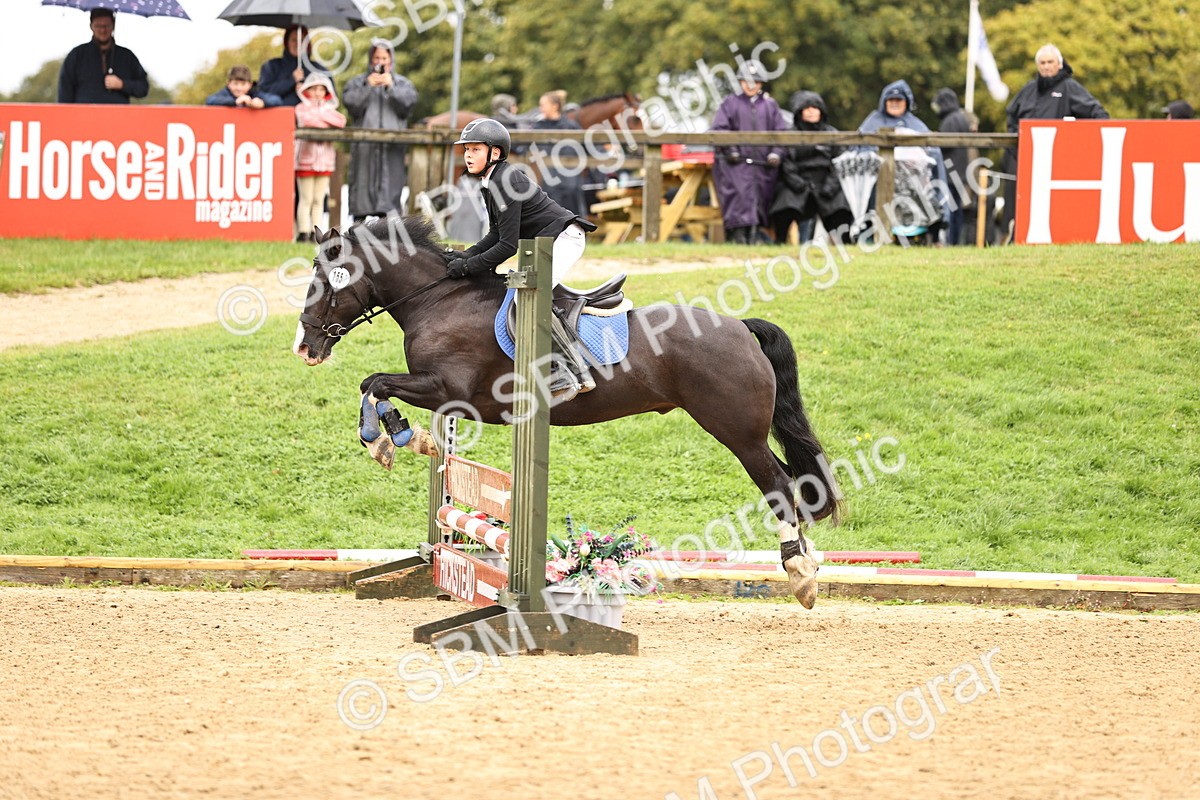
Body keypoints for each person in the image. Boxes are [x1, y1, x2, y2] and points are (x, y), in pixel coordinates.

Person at [444, 119, 599, 401]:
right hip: (546, 242)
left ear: (495, 152)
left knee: (529, 296)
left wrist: (467, 266)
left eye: (475, 149)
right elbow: (496, 234)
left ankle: (572, 370)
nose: (468, 155)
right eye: (466, 149)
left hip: (565, 239)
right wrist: (466, 254)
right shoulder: (491, 182)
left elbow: (507, 245)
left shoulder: (506, 180)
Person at [858, 80, 947, 243]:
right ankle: (871, 237)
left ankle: (921, 237)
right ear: (884, 102)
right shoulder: (872, 121)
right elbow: (859, 147)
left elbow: (933, 154)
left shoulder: (916, 125)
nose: (895, 103)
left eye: (899, 100)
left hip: (912, 186)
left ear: (906, 102)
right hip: (877, 183)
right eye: (891, 100)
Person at [710, 61, 788, 244]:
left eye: (755, 81)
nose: (750, 85)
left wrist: (776, 153)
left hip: (763, 164)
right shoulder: (730, 103)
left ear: (761, 84)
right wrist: (731, 149)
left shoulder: (770, 105)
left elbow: (781, 133)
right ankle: (736, 237)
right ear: (741, 82)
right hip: (735, 164)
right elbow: (720, 129)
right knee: (738, 198)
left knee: (760, 199)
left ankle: (754, 237)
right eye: (746, 81)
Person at [344, 39, 419, 220]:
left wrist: (391, 87)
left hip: (391, 151)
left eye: (384, 58)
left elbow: (409, 104)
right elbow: (350, 104)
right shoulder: (358, 83)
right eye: (377, 58)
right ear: (371, 59)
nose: (380, 62)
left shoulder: (402, 84)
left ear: (391, 60)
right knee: (361, 197)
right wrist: (368, 87)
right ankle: (358, 236)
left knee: (390, 204)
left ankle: (389, 236)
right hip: (364, 150)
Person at [769, 90, 853, 245]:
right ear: (799, 112)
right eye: (806, 108)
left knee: (841, 206)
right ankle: (779, 241)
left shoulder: (832, 133)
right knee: (784, 204)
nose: (811, 111)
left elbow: (840, 161)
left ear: (821, 111)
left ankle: (845, 243)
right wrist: (797, 183)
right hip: (798, 183)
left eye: (815, 108)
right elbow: (787, 162)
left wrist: (830, 187)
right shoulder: (790, 134)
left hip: (826, 183)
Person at [294, 73, 346, 242]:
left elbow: (341, 121)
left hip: (325, 162)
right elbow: (308, 121)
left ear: (326, 92)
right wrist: (326, 120)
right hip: (305, 160)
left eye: (321, 89)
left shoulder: (330, 110)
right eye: (314, 89)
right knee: (306, 198)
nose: (317, 93)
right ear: (307, 90)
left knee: (318, 199)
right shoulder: (301, 108)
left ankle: (315, 232)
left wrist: (320, 114)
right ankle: (303, 231)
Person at [58, 9, 148, 104]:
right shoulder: (77, 55)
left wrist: (122, 84)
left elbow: (143, 88)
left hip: (118, 112)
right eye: (98, 26)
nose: (102, 30)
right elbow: (64, 93)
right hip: (84, 112)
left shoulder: (127, 56)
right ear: (91, 26)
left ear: (113, 26)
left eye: (106, 26)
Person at [532, 92, 587, 216]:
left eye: (543, 105)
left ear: (555, 106)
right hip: (548, 183)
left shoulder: (571, 126)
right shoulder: (538, 128)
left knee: (573, 216)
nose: (540, 109)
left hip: (571, 182)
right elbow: (524, 149)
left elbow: (585, 148)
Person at [931, 88, 972, 245]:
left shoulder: (950, 120)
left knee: (950, 209)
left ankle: (950, 241)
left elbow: (944, 145)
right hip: (960, 172)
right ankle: (955, 241)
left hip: (950, 173)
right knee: (957, 209)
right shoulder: (961, 118)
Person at [258, 25, 330, 108]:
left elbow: (330, 97)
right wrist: (291, 80)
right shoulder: (271, 66)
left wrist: (306, 90)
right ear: (287, 42)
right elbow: (263, 93)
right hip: (279, 114)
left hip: (311, 115)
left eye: (301, 40)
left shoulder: (318, 69)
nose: (297, 44)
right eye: (293, 40)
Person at [204, 65, 282, 108]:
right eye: (235, 83)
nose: (239, 88)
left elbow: (277, 100)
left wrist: (263, 103)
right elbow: (210, 100)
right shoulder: (226, 93)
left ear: (250, 85)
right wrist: (235, 102)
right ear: (228, 84)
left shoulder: (255, 93)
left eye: (243, 84)